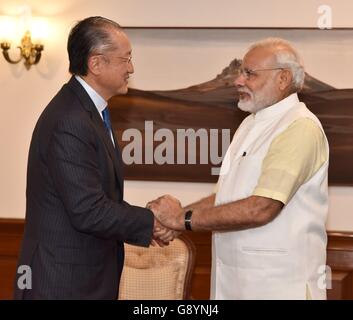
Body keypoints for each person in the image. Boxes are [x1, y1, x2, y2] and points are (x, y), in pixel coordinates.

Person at [149, 38, 329, 300]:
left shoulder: (299, 127)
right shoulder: (249, 125)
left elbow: (261, 207)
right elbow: (226, 197)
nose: (238, 81)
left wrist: (182, 219)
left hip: (277, 287)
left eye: (250, 73)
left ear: (283, 79)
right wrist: (178, 220)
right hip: (236, 285)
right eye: (241, 72)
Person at [14, 16, 174, 300]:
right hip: (62, 283)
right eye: (126, 59)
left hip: (80, 279)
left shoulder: (88, 113)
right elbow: (89, 209)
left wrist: (145, 222)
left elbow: (98, 198)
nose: (131, 68)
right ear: (96, 63)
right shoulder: (70, 120)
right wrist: (151, 221)